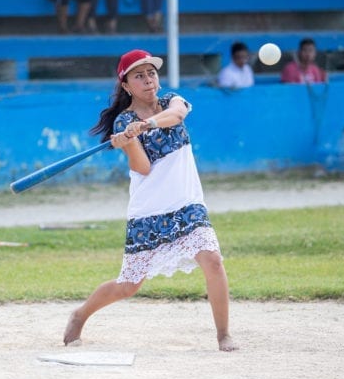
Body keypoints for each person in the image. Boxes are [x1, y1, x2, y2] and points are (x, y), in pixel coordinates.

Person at [62, 49, 238, 352]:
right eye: (139, 76)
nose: (148, 80)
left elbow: (176, 116)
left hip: (188, 203)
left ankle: (223, 334)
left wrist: (146, 126)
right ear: (126, 86)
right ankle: (80, 315)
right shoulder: (123, 122)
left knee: (212, 259)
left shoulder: (172, 101)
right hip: (150, 211)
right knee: (128, 286)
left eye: (151, 73)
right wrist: (127, 143)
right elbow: (142, 168)